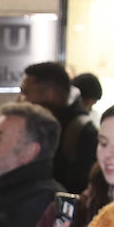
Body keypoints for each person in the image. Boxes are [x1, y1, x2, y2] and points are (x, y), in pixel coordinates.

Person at [19, 62, 96, 195]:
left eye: (25, 92)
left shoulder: (83, 132)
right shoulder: (35, 123)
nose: (20, 100)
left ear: (50, 93)